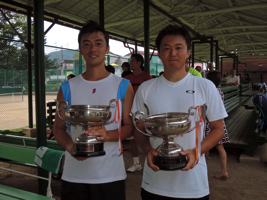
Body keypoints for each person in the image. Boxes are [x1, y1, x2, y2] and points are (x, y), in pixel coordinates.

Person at [131, 24, 227, 199]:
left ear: (188, 52)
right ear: (159, 53)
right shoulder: (146, 89)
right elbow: (138, 129)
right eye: (166, 48)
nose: (172, 53)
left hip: (193, 185)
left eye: (178, 48)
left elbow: (218, 129)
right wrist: (147, 149)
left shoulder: (205, 86)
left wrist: (197, 152)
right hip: (154, 184)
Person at [53, 20, 134, 200]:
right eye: (86, 44)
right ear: (80, 49)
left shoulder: (122, 86)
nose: (92, 49)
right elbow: (58, 128)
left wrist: (107, 135)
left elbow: (129, 127)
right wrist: (70, 147)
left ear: (107, 49)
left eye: (98, 43)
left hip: (111, 175)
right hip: (74, 176)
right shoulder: (67, 87)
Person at [125, 53, 153, 172]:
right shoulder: (127, 79)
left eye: (132, 61)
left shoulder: (148, 78)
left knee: (150, 138)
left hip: (146, 112)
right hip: (132, 111)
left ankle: (151, 159)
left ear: (139, 63)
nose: (130, 63)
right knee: (132, 139)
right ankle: (136, 163)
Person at [205, 71, 230, 180]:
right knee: (220, 147)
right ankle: (224, 171)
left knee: (205, 147)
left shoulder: (209, 92)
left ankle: (202, 171)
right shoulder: (219, 91)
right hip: (220, 123)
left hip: (209, 123)